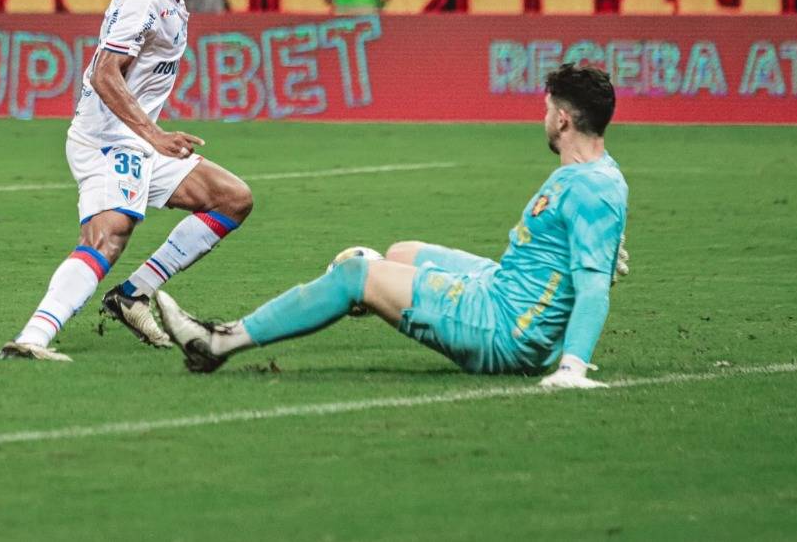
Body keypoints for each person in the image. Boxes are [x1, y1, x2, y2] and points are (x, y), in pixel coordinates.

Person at [155, 63, 630, 389]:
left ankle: (217, 341)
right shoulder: (592, 174)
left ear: (563, 120)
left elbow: (591, 287)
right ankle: (375, 285)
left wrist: (570, 367)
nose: (542, 118)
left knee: (355, 274)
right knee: (401, 251)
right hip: (504, 286)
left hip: (506, 329)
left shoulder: (591, 189)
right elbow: (581, 257)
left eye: (547, 111)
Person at [0, 0, 255, 362]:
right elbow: (104, 72)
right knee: (109, 235)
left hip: (138, 140)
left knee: (232, 198)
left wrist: (150, 137)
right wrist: (154, 135)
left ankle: (133, 295)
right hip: (108, 141)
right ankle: (33, 338)